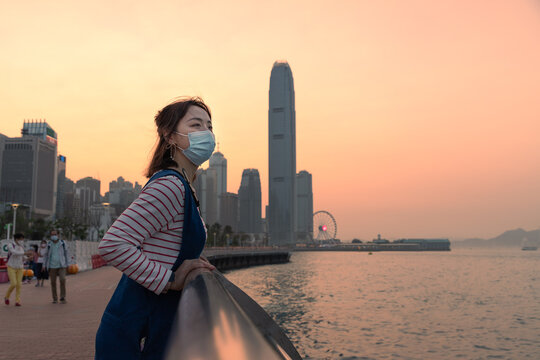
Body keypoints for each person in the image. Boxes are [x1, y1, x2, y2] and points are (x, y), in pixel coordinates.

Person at [95, 97, 216, 360]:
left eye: (209, 126)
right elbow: (113, 244)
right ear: (170, 136)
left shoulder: (185, 188)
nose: (206, 133)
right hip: (133, 334)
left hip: (152, 326)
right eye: (196, 125)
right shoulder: (171, 185)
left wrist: (192, 262)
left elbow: (165, 246)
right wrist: (170, 280)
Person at [43, 230, 69, 304]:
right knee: (53, 282)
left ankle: (62, 297)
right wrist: (44, 265)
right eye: (52, 234)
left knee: (62, 279)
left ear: (58, 235)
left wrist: (68, 264)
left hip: (61, 265)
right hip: (52, 266)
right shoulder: (49, 244)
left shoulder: (63, 243)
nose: (53, 236)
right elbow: (45, 255)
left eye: (55, 234)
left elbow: (67, 254)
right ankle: (55, 298)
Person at [4, 233, 27, 306]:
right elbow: (14, 252)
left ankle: (17, 301)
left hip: (20, 267)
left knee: (19, 285)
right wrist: (24, 253)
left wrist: (27, 257)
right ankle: (6, 297)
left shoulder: (21, 246)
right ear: (17, 239)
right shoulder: (11, 245)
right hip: (11, 267)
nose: (22, 241)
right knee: (13, 283)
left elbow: (23, 256)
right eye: (21, 239)